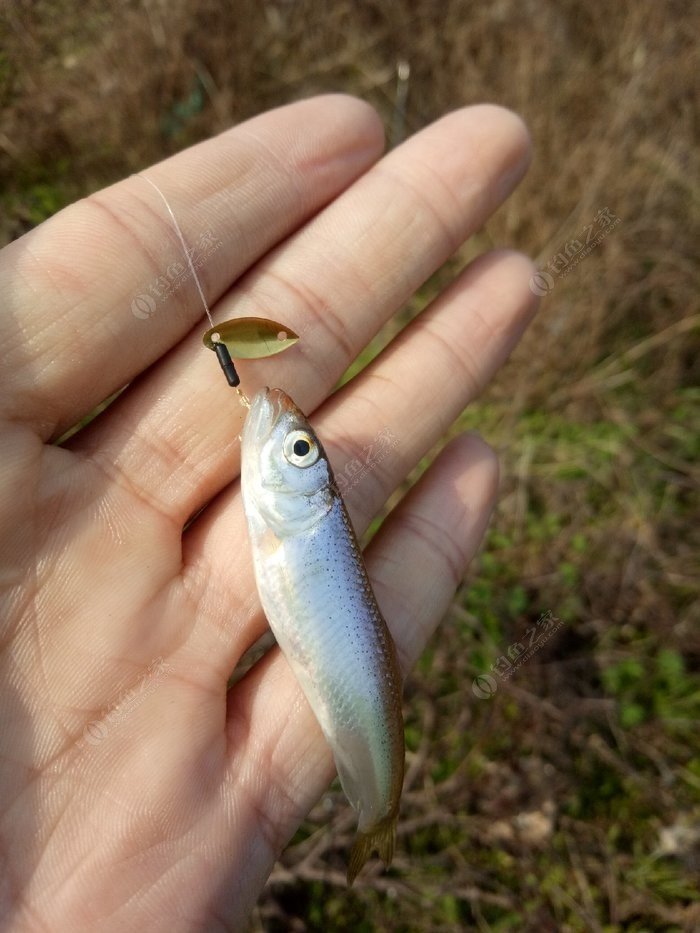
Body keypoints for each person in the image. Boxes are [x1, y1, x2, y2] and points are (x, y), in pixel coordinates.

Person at [0, 95, 535, 928]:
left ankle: (377, 808)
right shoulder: (287, 508)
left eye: (300, 452)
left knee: (350, 724)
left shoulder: (299, 520)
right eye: (302, 451)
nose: (286, 434)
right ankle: (376, 810)